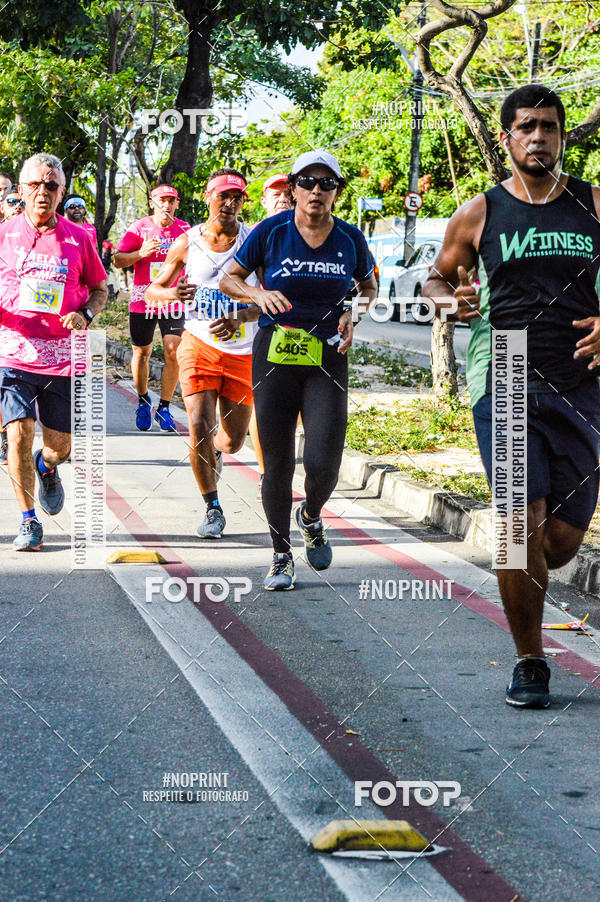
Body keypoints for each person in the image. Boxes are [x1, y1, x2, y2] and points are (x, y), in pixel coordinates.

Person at [423, 84, 600, 708]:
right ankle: (530, 660)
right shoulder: (480, 213)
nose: (538, 136)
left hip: (582, 382)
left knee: (560, 541)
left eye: (549, 126)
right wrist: (451, 300)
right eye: (526, 126)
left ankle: (538, 587)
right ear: (506, 138)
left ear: (561, 135)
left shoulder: (593, 204)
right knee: (516, 524)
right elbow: (437, 278)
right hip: (507, 370)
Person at [221, 150, 377, 590]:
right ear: (292, 188)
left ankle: (310, 516)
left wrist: (355, 311)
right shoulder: (272, 231)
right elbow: (228, 278)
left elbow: (368, 286)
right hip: (275, 354)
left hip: (327, 355)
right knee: (277, 463)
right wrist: (257, 296)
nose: (316, 190)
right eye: (307, 181)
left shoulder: (349, 238)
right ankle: (280, 555)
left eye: (326, 184)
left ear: (337, 193)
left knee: (325, 460)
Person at [0, 152, 108, 550]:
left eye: (51, 186)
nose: (42, 192)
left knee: (59, 448)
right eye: (34, 185)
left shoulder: (79, 238)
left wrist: (85, 313)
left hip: (62, 362)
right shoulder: (3, 235)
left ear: (62, 192)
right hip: (12, 357)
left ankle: (47, 469)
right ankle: (28, 521)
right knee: (18, 434)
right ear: (21, 189)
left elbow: (101, 289)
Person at [146, 168, 259, 539]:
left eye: (237, 197)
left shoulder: (255, 242)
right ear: (208, 198)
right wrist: (172, 295)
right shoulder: (187, 242)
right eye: (222, 195)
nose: (229, 203)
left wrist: (241, 315)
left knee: (232, 440)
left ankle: (216, 453)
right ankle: (212, 507)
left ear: (244, 202)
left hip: (242, 350)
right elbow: (153, 290)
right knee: (197, 425)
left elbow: (270, 300)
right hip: (197, 343)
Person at [114, 185, 190, 432]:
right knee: (141, 353)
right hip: (142, 298)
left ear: (177, 203)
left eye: (171, 200)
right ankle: (144, 400)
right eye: (161, 200)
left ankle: (165, 407)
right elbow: (117, 259)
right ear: (151, 203)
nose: (166, 205)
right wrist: (140, 253)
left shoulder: (185, 229)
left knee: (173, 349)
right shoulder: (138, 228)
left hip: (172, 298)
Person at [249, 174, 293, 499]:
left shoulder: (303, 234)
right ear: (264, 201)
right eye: (275, 194)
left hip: (296, 333)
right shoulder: (253, 237)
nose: (282, 199)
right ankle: (267, 473)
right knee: (259, 406)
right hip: (254, 329)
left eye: (286, 194)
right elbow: (231, 282)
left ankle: (277, 470)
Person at [0, 186, 24, 466]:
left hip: (22, 326)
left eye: (21, 202)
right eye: (12, 202)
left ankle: (10, 432)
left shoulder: (35, 237)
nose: (18, 205)